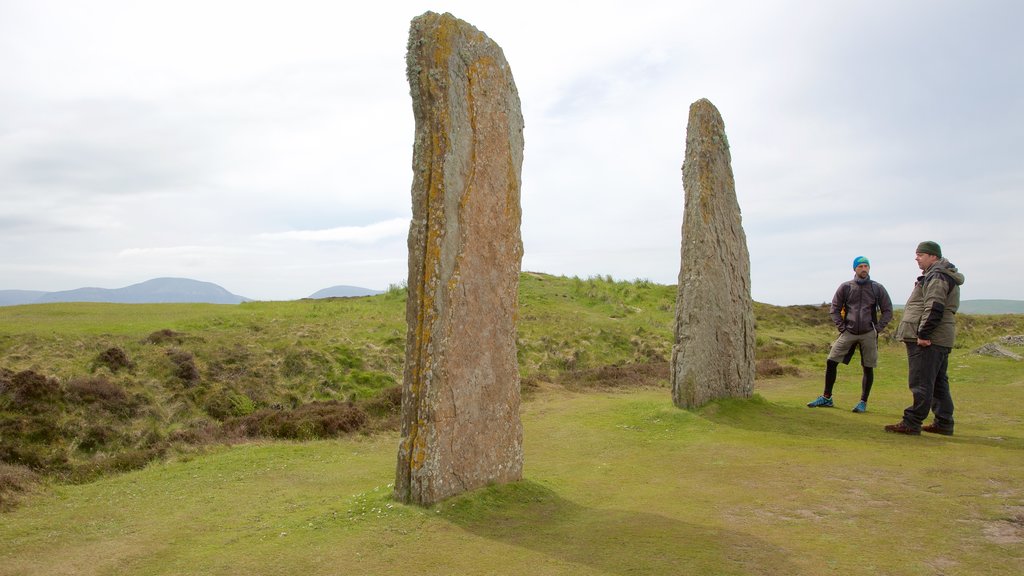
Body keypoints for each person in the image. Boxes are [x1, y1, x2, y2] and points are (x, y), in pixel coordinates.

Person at [885, 241, 965, 436]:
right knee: (938, 382)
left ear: (933, 257)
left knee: (921, 381)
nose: (917, 258)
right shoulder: (938, 275)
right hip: (940, 338)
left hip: (930, 340)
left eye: (921, 254)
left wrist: (923, 334)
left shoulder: (937, 276)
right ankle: (944, 422)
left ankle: (912, 422)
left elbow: (934, 306)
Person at [807, 256, 893, 412]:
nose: (864, 269)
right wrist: (842, 327)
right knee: (831, 360)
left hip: (868, 332)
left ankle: (862, 402)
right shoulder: (845, 287)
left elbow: (887, 310)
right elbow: (834, 309)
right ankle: (827, 398)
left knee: (868, 367)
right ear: (854, 269)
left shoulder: (877, 288)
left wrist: (877, 329)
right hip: (849, 331)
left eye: (866, 266)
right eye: (860, 266)